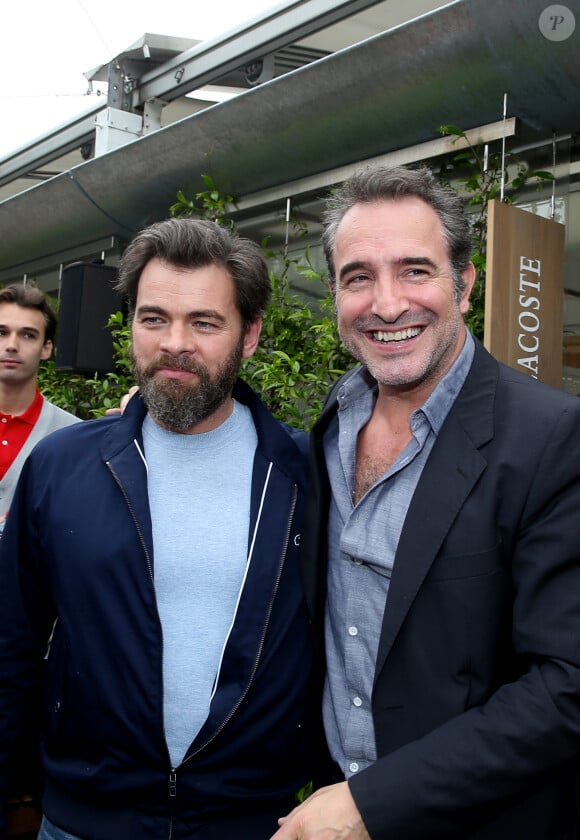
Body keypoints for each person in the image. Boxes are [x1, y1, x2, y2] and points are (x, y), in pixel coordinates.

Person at [272, 165, 580, 839]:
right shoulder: (335, 417)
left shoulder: (551, 438)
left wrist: (370, 804)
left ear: (465, 286)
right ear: (334, 294)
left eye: (415, 271)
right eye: (359, 277)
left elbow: (565, 686)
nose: (386, 304)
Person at [0, 219, 317, 840]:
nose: (175, 343)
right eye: (153, 319)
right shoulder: (62, 467)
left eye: (205, 322)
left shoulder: (309, 475)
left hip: (252, 822)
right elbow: (12, 643)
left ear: (249, 335)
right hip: (82, 819)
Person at [0, 283, 79, 535]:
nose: (12, 345)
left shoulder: (73, 436)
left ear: (46, 348)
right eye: (2, 332)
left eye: (27, 335)